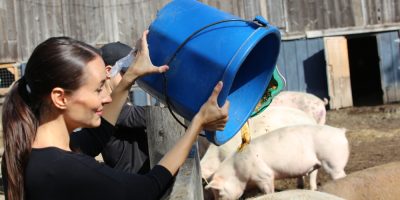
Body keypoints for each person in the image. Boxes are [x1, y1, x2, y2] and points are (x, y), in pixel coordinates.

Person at [1, 30, 229, 200]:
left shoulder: (25, 151)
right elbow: (147, 188)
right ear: (60, 98)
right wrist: (197, 123)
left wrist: (129, 78)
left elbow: (97, 136)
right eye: (98, 88)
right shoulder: (68, 170)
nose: (106, 97)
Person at [100, 41, 149, 174]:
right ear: (108, 71)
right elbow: (139, 117)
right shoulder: (103, 104)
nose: (132, 78)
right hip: (130, 182)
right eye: (126, 72)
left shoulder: (118, 99)